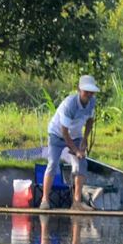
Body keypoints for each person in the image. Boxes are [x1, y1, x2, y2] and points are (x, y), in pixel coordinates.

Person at [41, 74, 100, 211]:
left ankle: (77, 203)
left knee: (81, 164)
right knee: (53, 163)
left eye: (91, 92)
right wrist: (76, 150)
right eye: (86, 92)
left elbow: (90, 121)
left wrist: (85, 139)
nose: (89, 95)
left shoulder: (92, 102)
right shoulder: (70, 104)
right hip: (57, 134)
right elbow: (64, 132)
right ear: (79, 90)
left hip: (76, 135)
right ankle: (45, 199)